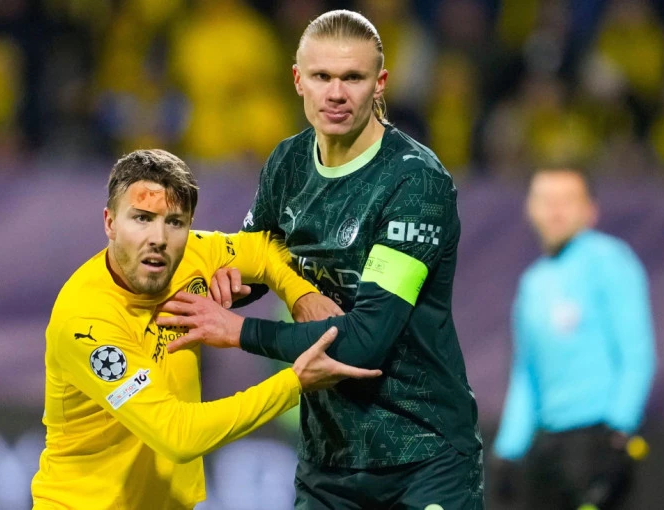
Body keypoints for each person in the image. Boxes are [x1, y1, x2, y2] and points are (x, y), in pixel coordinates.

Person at [157, 10, 483, 510]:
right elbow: (255, 260)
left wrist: (238, 331)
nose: (336, 93)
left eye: (352, 77)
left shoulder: (413, 181)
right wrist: (226, 285)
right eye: (322, 76)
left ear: (379, 84)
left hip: (422, 459)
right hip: (329, 462)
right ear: (297, 80)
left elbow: (366, 341)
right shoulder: (288, 162)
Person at [30, 149, 381, 510]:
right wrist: (295, 383)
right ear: (110, 223)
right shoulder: (87, 320)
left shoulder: (192, 255)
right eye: (142, 218)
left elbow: (263, 248)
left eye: (175, 222)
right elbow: (178, 435)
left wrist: (300, 294)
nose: (158, 238)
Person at [491, 167, 656, 510]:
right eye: (545, 199)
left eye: (567, 200)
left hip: (596, 442)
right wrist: (508, 450)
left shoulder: (610, 260)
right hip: (546, 448)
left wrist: (618, 434)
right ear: (529, 208)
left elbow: (637, 354)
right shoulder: (532, 283)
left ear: (590, 210)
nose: (555, 210)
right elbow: (526, 374)